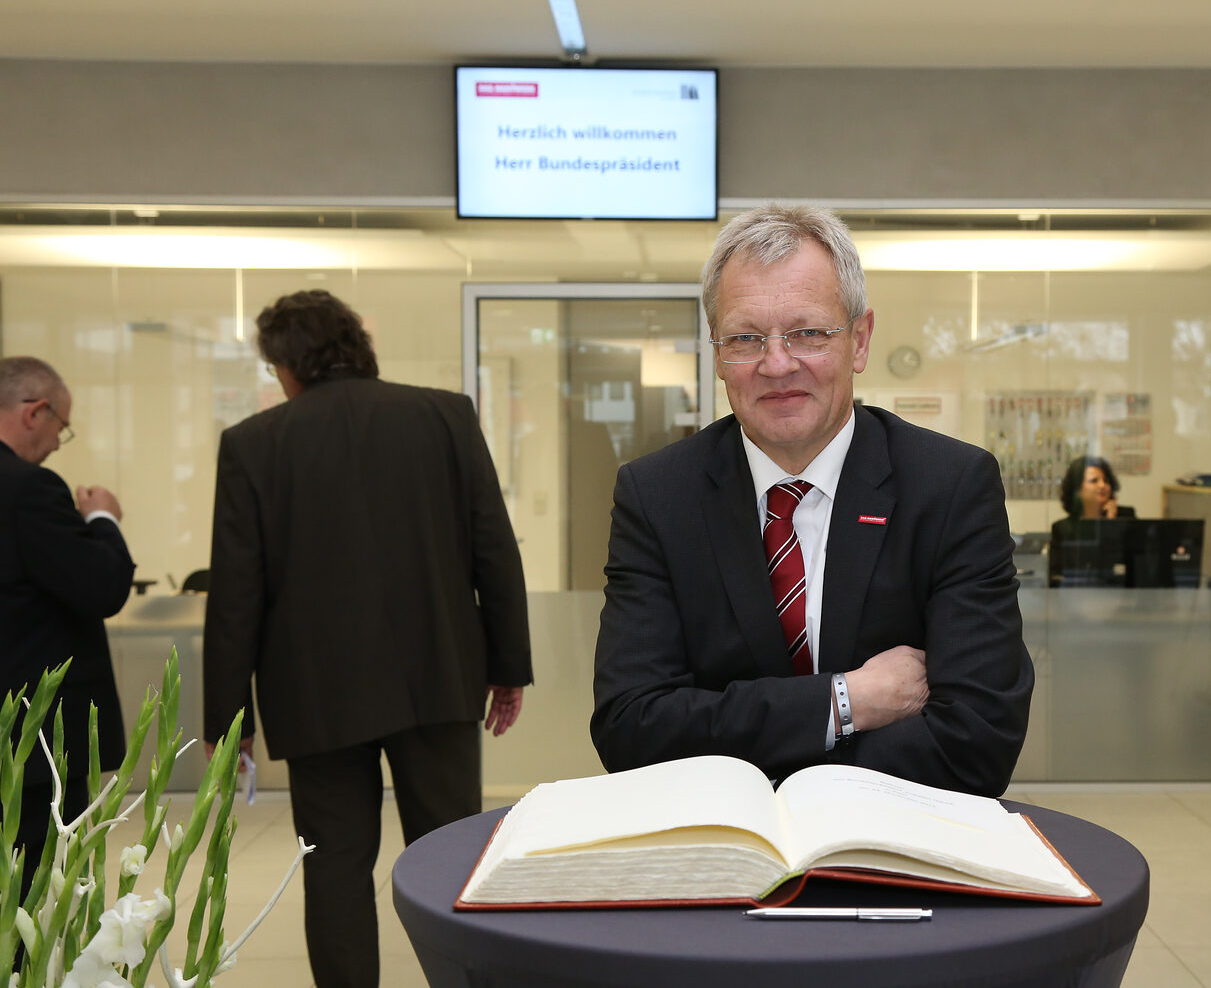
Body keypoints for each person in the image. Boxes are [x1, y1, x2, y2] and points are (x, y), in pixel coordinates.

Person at [590, 205, 1033, 798]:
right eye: (746, 338)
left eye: (809, 333)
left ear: (860, 340)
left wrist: (774, 767)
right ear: (718, 354)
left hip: (896, 852)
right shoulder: (658, 496)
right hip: (717, 848)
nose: (777, 364)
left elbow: (980, 741)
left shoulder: (950, 485)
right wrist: (847, 702)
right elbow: (631, 730)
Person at [202, 291, 532, 988]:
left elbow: (236, 596)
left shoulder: (254, 445)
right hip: (438, 679)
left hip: (315, 696)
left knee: (334, 869)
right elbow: (493, 550)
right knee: (450, 860)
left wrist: (228, 719)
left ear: (289, 364)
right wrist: (508, 666)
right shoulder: (444, 415)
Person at [0, 356, 134, 888]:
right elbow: (100, 587)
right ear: (36, 413)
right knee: (33, 889)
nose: (58, 443)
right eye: (62, 427)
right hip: (32, 736)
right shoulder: (27, 488)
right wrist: (104, 520)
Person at [1048, 455, 1135, 587]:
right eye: (1094, 481)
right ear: (1077, 490)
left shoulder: (1126, 518)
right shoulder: (1063, 528)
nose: (1103, 485)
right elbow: (1057, 578)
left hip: (1119, 596)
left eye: (1106, 480)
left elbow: (1131, 569)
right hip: (1078, 597)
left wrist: (1111, 524)